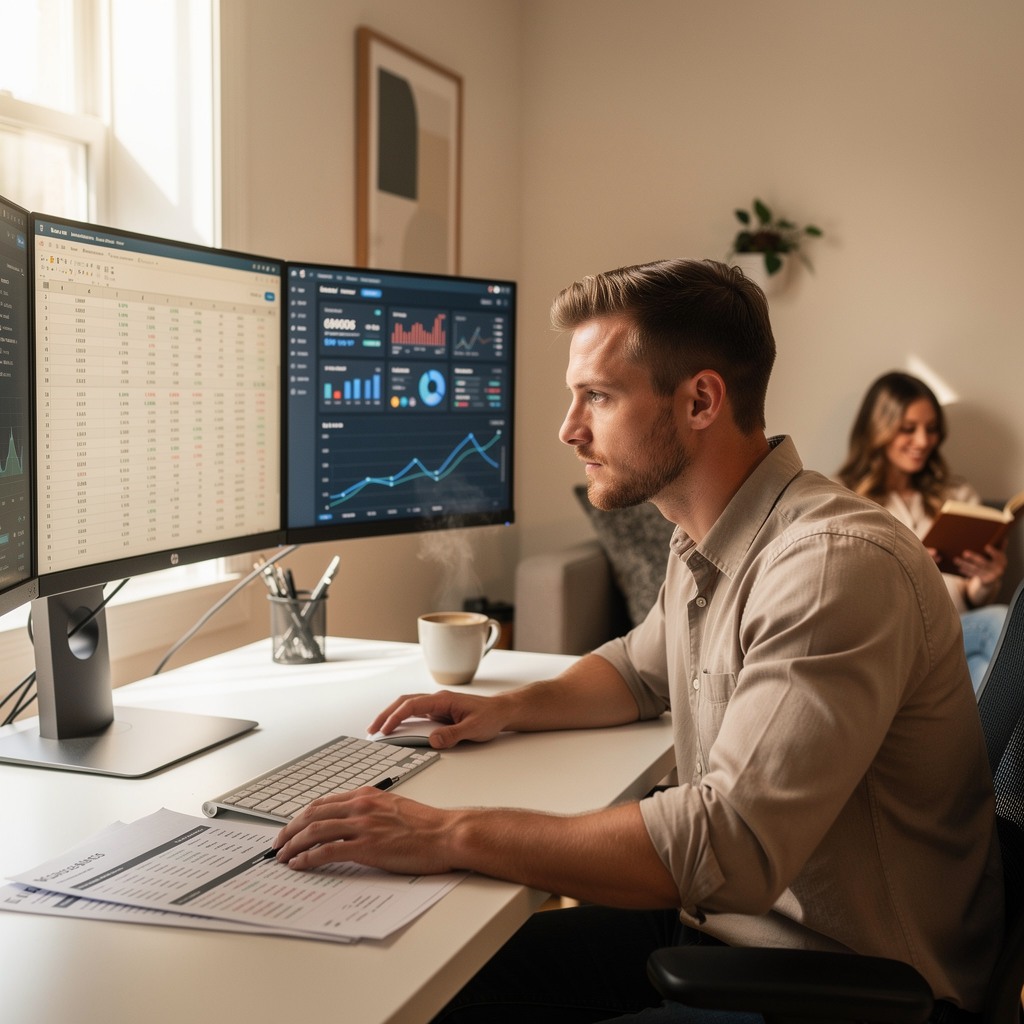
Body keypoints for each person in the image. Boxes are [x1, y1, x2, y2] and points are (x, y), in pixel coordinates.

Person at [273, 259, 1003, 1023]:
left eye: (597, 395)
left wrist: (447, 832)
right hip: (728, 930)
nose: (568, 428)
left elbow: (725, 845)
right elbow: (637, 668)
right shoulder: (707, 538)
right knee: (433, 988)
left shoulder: (829, 566)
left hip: (832, 981)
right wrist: (506, 708)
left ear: (700, 400)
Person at [837, 371, 1009, 690]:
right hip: (891, 639)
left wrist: (985, 582)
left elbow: (969, 596)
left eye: (931, 430)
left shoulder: (957, 495)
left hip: (956, 629)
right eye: (908, 429)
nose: (922, 441)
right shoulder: (844, 500)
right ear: (878, 429)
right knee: (998, 629)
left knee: (988, 655)